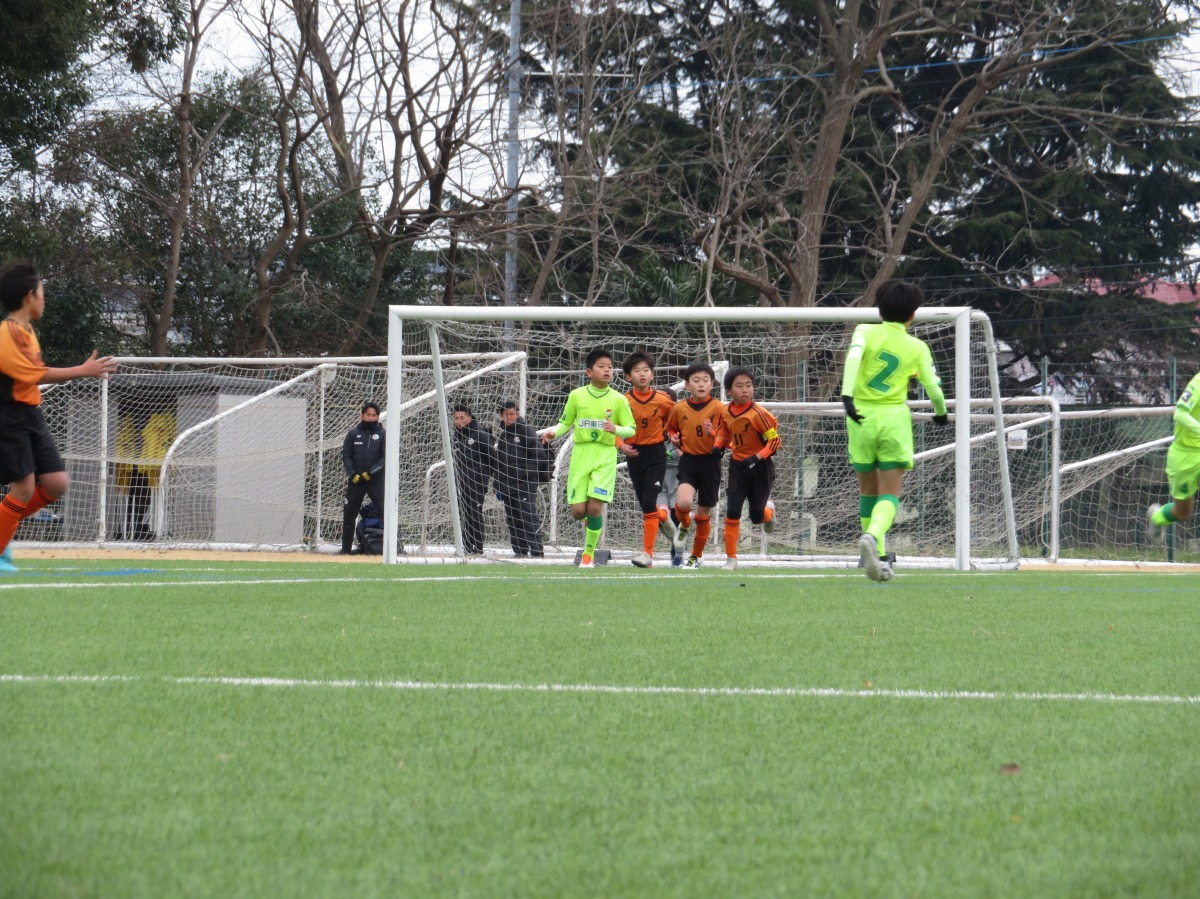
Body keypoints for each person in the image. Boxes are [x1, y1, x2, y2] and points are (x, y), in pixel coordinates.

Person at [0, 260, 118, 573]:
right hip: (8, 416)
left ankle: (2, 525)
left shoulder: (27, 331)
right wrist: (83, 370)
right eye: (42, 292)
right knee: (24, 487)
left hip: (29, 413)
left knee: (56, 483)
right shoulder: (6, 333)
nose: (44, 299)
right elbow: (34, 374)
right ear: (29, 296)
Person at [841, 279, 949, 582]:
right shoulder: (917, 347)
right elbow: (933, 388)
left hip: (860, 417)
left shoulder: (864, 331)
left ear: (879, 309)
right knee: (890, 493)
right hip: (893, 420)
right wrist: (941, 413)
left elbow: (853, 357)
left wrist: (847, 396)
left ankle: (876, 556)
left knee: (868, 490)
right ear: (913, 314)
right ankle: (874, 536)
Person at [542, 348, 636, 568]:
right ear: (589, 372)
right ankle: (589, 523)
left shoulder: (618, 399)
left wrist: (616, 429)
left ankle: (588, 554)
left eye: (610, 367)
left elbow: (631, 428)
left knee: (594, 508)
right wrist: (554, 432)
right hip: (581, 454)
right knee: (578, 512)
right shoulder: (577, 395)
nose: (607, 370)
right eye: (601, 366)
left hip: (605, 455)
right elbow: (565, 422)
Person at [666, 362, 729, 569]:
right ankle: (684, 524)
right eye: (696, 380)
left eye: (705, 380)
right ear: (687, 385)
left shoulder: (720, 408)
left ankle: (696, 555)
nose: (701, 384)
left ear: (712, 384)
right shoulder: (679, 408)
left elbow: (727, 438)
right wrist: (674, 439)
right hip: (689, 460)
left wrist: (713, 434)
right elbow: (672, 430)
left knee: (703, 514)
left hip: (711, 462)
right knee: (683, 503)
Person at [617, 351, 677, 567]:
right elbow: (612, 427)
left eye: (646, 370)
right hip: (634, 454)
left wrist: (673, 435)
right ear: (628, 376)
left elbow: (675, 420)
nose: (642, 374)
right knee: (645, 504)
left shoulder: (663, 400)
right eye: (636, 370)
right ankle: (662, 519)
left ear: (652, 375)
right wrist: (621, 445)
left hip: (656, 454)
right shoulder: (622, 401)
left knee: (650, 500)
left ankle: (647, 554)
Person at [718, 366, 782, 571]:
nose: (745, 389)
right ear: (729, 390)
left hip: (760, 469)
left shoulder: (759, 414)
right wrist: (718, 446)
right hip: (737, 467)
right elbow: (725, 433)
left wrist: (756, 457)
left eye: (748, 385)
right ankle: (731, 559)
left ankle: (769, 512)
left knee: (756, 517)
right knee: (732, 510)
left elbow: (775, 442)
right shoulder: (725, 411)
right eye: (739, 386)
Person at [1146, 370, 1200, 541]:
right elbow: (1180, 414)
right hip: (1185, 454)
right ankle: (1157, 518)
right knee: (1182, 512)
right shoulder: (1198, 383)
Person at [495, 399, 546, 558]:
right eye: (506, 414)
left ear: (517, 414)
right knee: (513, 519)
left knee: (528, 516)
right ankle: (520, 551)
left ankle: (537, 551)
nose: (509, 417)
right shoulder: (503, 436)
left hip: (525, 485)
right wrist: (497, 485)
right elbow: (499, 463)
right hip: (508, 486)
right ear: (501, 416)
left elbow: (539, 456)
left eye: (512, 414)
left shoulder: (526, 431)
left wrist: (525, 473)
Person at [341, 400, 386, 555]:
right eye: (368, 414)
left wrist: (370, 473)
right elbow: (346, 455)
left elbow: (385, 458)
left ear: (378, 417)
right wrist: (352, 473)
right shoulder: (353, 434)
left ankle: (392, 549)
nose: (370, 417)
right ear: (362, 415)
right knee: (349, 515)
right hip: (356, 481)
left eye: (374, 415)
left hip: (376, 481)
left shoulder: (383, 434)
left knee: (386, 514)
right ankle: (345, 550)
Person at [450, 403, 494, 555]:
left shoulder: (481, 435)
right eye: (456, 418)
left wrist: (483, 477)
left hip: (477, 482)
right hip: (460, 482)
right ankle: (466, 546)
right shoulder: (455, 436)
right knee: (463, 514)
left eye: (462, 417)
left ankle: (477, 547)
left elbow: (492, 460)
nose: (459, 421)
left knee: (474, 513)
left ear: (469, 418)